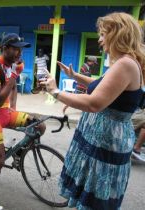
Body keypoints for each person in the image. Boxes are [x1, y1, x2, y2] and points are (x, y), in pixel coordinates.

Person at [40, 12, 145, 210]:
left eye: (103, 34)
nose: (100, 39)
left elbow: (93, 103)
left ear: (117, 34)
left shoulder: (125, 64)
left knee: (96, 199)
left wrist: (55, 92)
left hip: (106, 141)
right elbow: (103, 86)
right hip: (103, 139)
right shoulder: (125, 62)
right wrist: (74, 75)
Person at [0, 33, 46, 210]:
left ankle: (17, 152)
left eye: (21, 48)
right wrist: (14, 74)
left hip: (6, 113)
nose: (19, 52)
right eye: (15, 48)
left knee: (39, 125)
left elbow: (13, 88)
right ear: (5, 48)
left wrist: (14, 108)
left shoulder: (14, 65)